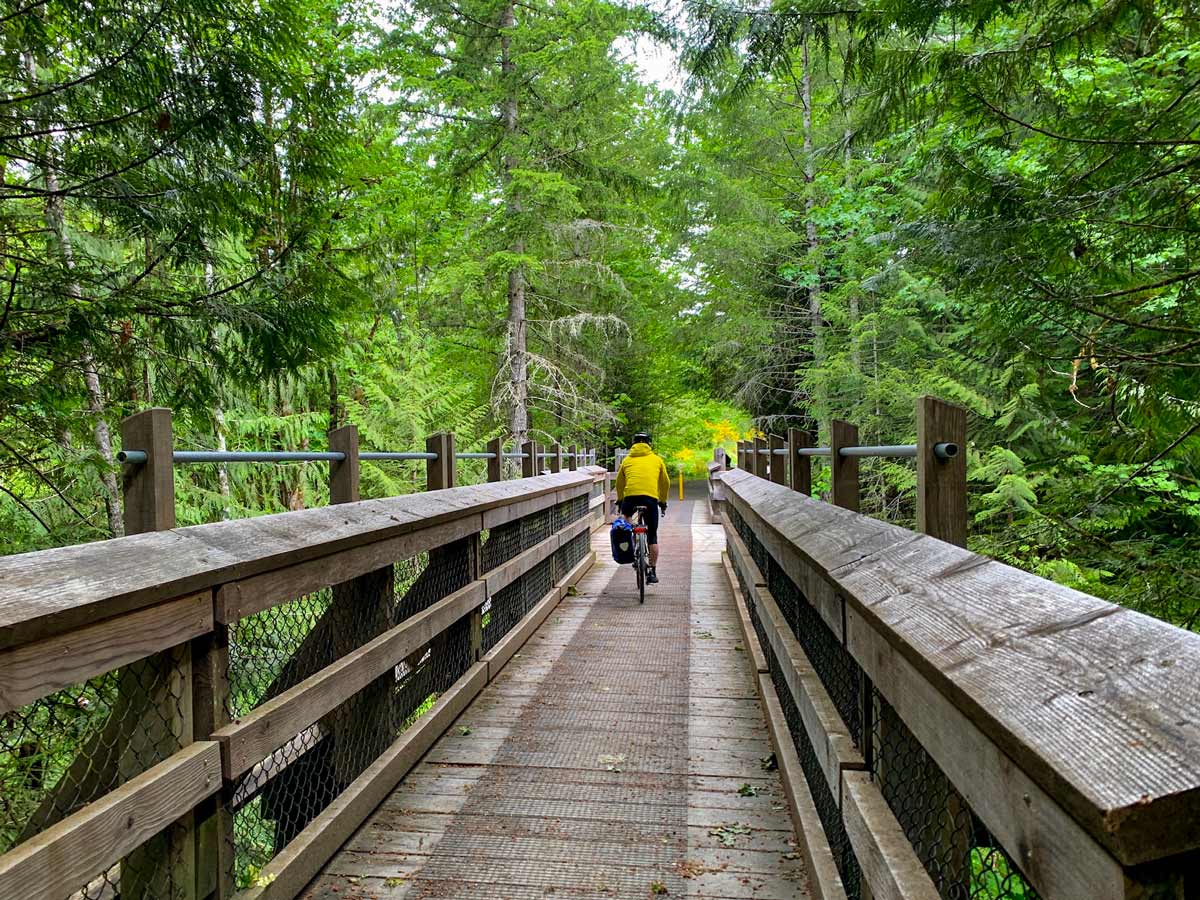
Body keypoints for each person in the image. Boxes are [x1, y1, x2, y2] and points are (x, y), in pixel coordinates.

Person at [614, 431, 669, 583]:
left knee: (625, 518)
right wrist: (662, 501)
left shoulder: (626, 460)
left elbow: (619, 483)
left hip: (630, 498)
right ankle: (652, 571)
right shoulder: (657, 460)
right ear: (649, 444)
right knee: (652, 535)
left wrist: (620, 500)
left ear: (633, 444)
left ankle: (632, 532)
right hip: (650, 499)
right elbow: (665, 483)